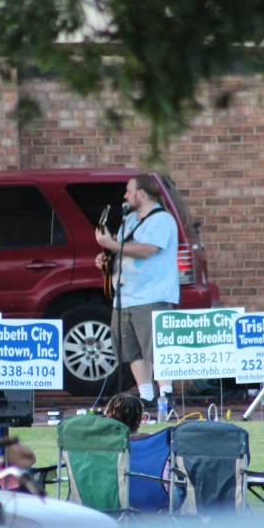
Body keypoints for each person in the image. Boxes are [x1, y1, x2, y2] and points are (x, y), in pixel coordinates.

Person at [95, 174, 179, 411]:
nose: (125, 195)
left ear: (141, 193)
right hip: (126, 295)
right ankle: (146, 396)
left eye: (128, 190)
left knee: (156, 348)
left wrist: (111, 245)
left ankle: (165, 396)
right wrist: (107, 258)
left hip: (152, 295)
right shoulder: (129, 220)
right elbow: (123, 250)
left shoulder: (162, 220)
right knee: (133, 350)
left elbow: (147, 250)